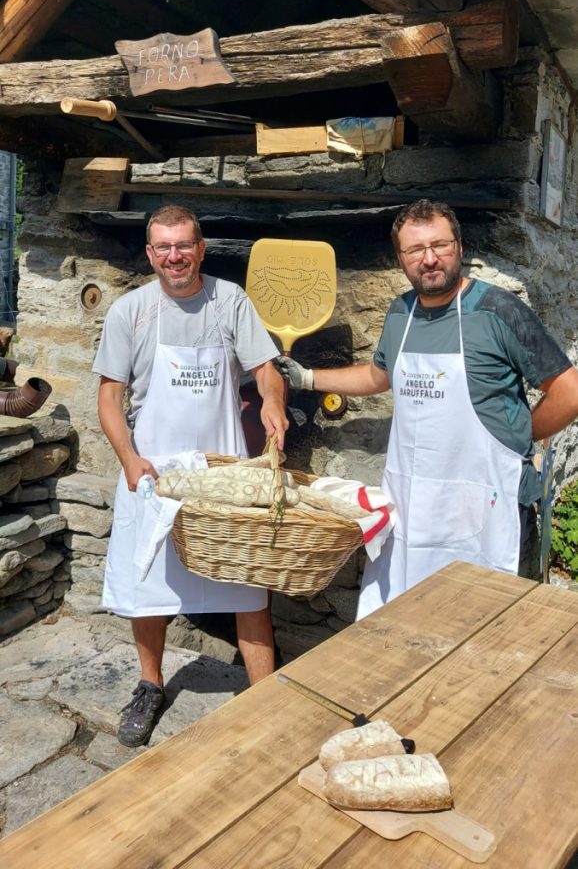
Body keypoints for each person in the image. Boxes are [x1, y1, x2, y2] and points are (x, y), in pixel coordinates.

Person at [277, 199, 578, 618]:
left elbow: (568, 391)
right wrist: (308, 378)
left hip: (487, 504)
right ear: (400, 258)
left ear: (459, 246)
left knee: (488, 622)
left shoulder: (497, 311)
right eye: (416, 250)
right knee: (409, 618)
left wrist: (519, 437)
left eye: (440, 245)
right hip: (414, 505)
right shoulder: (401, 311)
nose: (430, 259)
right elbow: (379, 376)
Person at [93, 205, 288, 746]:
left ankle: (265, 696)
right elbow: (109, 398)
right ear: (150, 253)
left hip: (223, 476)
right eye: (163, 247)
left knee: (247, 587)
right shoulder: (130, 312)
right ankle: (150, 685)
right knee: (147, 586)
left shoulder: (230, 301)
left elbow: (266, 370)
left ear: (201, 249)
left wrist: (274, 402)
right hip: (153, 474)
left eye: (183, 245)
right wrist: (129, 459)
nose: (174, 256)